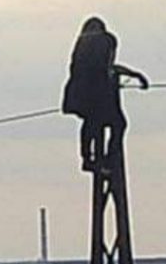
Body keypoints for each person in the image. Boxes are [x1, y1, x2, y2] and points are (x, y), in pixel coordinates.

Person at [62, 17, 148, 172]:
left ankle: (89, 158)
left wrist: (134, 75)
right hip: (100, 94)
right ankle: (108, 158)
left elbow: (103, 67)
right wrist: (136, 75)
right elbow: (109, 67)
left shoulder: (81, 44)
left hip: (80, 95)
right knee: (118, 124)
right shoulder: (107, 40)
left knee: (91, 124)